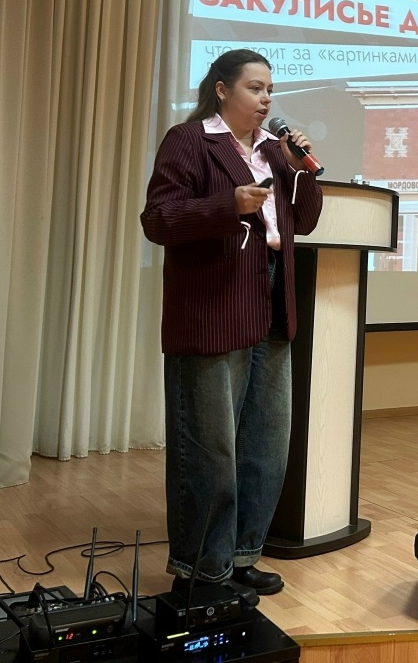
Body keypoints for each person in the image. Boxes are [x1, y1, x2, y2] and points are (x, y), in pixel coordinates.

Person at [141, 49, 323, 596]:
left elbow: (305, 221)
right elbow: (158, 219)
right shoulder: (190, 140)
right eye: (255, 88)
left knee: (265, 447)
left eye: (270, 91)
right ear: (222, 89)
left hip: (272, 302)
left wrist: (301, 168)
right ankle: (201, 571)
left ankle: (242, 557)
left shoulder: (274, 150)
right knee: (210, 450)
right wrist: (229, 204)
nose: (266, 100)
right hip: (213, 307)